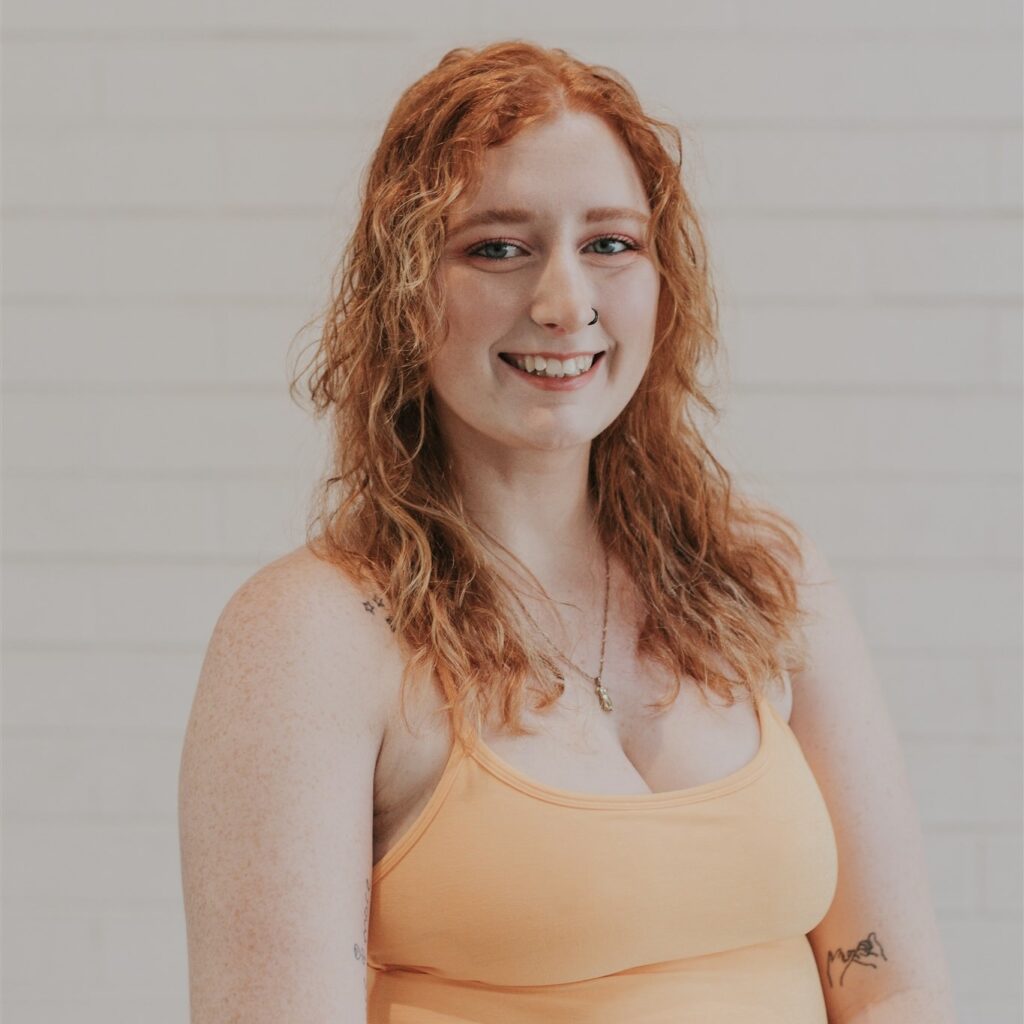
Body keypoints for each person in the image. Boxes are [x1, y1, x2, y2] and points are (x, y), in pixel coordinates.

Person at [178, 40, 958, 1024]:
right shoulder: (311, 633)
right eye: (497, 247)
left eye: (610, 243)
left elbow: (896, 984)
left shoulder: (763, 572)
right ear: (405, 289)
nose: (564, 304)